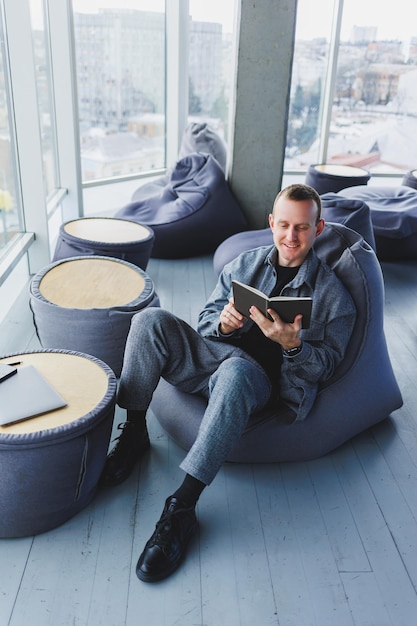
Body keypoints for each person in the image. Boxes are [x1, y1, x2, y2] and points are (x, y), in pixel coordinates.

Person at [101, 183, 356, 583]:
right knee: (148, 319)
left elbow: (325, 366)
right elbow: (205, 321)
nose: (291, 237)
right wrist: (221, 322)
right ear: (271, 223)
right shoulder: (244, 264)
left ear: (318, 228)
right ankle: (134, 430)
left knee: (236, 373)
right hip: (210, 360)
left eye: (302, 228)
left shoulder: (334, 297)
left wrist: (292, 347)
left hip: (256, 380)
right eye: (284, 225)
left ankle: (181, 508)